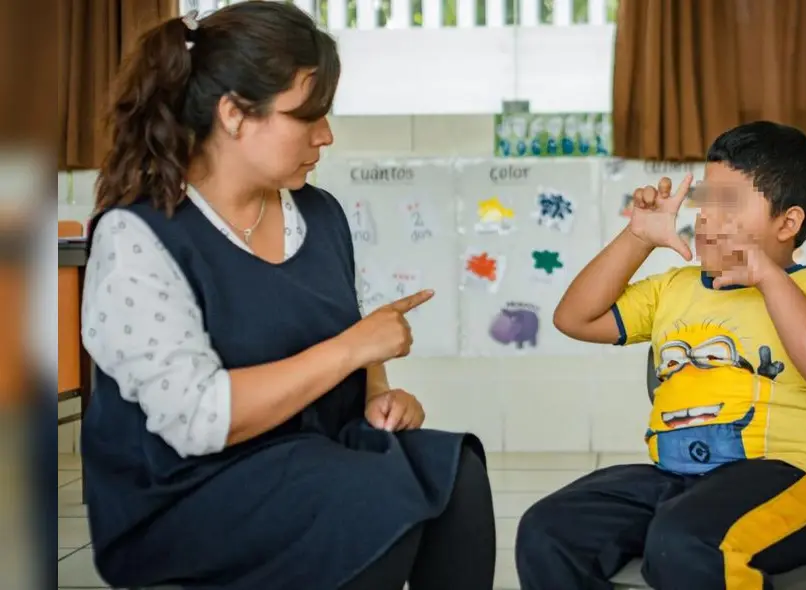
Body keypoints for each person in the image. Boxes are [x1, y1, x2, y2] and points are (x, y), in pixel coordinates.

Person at [79, 4, 495, 589]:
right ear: (234, 116)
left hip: (309, 457)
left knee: (454, 471)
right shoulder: (138, 235)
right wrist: (354, 349)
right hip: (189, 492)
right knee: (369, 503)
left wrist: (378, 395)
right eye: (309, 116)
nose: (325, 135)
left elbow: (340, 345)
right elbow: (200, 421)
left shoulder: (319, 216)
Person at [516, 121, 806, 589]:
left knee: (686, 540)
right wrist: (638, 237)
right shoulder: (674, 287)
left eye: (729, 204)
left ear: (787, 223)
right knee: (547, 530)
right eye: (705, 200)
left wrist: (769, 279)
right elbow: (574, 318)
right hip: (678, 479)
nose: (705, 217)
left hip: (793, 480)